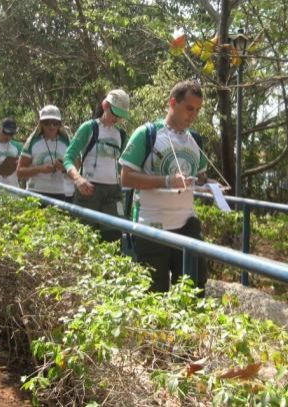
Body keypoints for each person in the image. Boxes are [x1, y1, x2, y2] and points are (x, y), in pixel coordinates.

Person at [119, 80, 207, 293]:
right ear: (172, 103)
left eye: (197, 110)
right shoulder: (147, 133)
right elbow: (126, 178)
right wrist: (166, 181)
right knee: (152, 296)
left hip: (187, 226)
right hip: (152, 228)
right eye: (189, 108)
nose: (193, 115)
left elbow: (201, 177)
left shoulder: (194, 140)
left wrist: (210, 185)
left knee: (193, 294)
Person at [64, 89, 130, 241]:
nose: (117, 118)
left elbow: (122, 163)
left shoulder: (121, 135)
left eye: (121, 115)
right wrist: (78, 179)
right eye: (115, 113)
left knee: (113, 238)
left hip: (113, 193)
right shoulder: (89, 128)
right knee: (85, 239)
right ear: (105, 105)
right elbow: (68, 157)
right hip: (88, 190)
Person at [17, 105, 71, 202]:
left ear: (60, 124)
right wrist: (40, 169)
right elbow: (19, 172)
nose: (51, 126)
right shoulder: (33, 143)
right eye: (47, 123)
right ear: (41, 124)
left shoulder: (67, 143)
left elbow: (77, 168)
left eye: (55, 123)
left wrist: (64, 168)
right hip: (35, 192)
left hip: (61, 194)